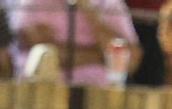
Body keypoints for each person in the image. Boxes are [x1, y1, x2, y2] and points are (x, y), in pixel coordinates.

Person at [10, 0, 141, 85]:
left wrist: (87, 9)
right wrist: (101, 56)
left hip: (100, 97)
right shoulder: (33, 3)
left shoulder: (110, 4)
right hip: (45, 95)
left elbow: (130, 61)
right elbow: (41, 53)